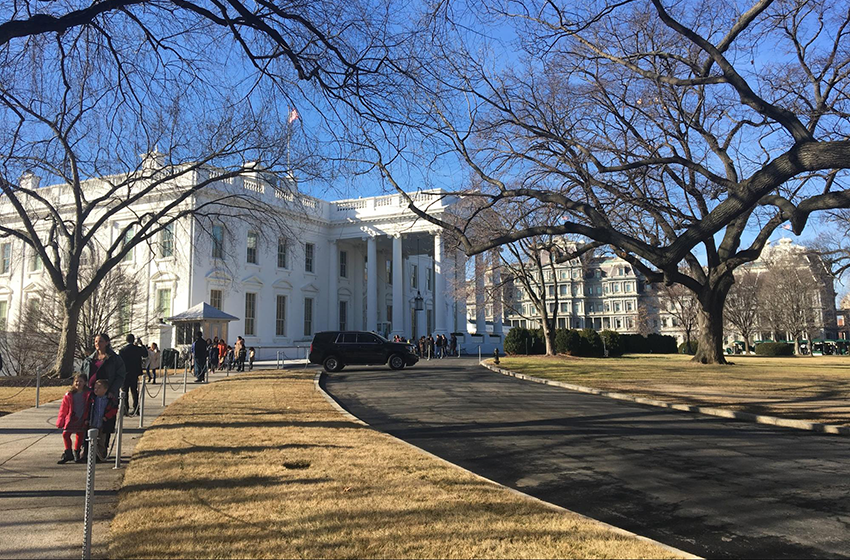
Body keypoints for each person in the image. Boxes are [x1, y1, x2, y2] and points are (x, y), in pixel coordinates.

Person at [80, 379, 118, 463]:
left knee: (101, 441)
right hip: (92, 423)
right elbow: (87, 409)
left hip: (103, 424)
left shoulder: (110, 400)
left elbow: (114, 410)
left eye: (99, 388)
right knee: (91, 440)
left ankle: (100, 456)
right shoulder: (92, 399)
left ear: (105, 389)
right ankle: (89, 455)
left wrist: (106, 417)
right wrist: (86, 419)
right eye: (95, 388)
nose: (96, 390)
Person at [81, 333, 126, 401]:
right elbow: (83, 375)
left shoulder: (115, 359)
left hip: (107, 395)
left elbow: (120, 376)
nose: (97, 343)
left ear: (107, 343)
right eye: (96, 341)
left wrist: (112, 391)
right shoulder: (88, 360)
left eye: (100, 341)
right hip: (90, 393)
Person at [56, 374, 89, 464]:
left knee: (80, 435)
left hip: (82, 418)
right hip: (71, 418)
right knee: (66, 434)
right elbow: (63, 408)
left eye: (81, 381)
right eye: (76, 381)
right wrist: (61, 420)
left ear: (85, 383)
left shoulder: (88, 394)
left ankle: (76, 453)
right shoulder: (69, 394)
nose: (78, 383)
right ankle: (68, 452)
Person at [119, 333, 148, 416]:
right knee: (134, 391)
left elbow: (120, 363)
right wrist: (141, 344)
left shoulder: (122, 350)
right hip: (135, 373)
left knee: (124, 391)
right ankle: (136, 408)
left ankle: (125, 409)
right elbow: (145, 354)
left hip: (125, 373)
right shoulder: (137, 349)